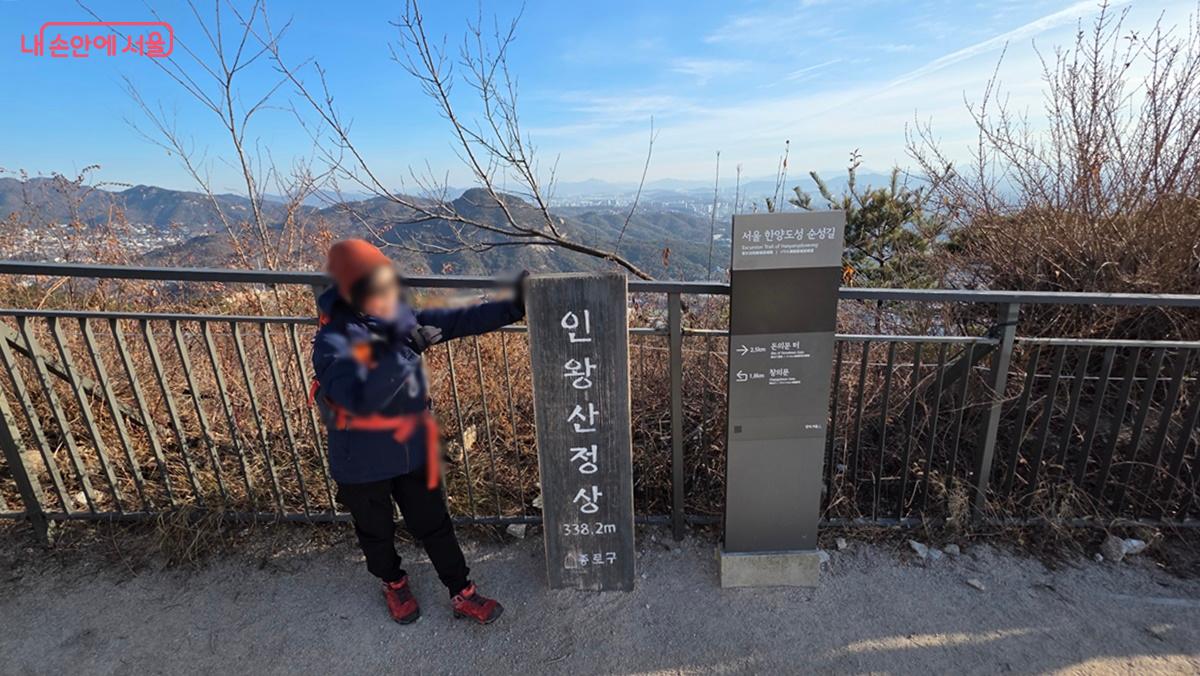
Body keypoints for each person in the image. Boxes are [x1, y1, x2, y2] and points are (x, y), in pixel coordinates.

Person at [311, 239, 526, 625]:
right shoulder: (331, 341)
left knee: (434, 523)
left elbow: (457, 320)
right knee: (375, 531)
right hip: (360, 461)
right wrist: (405, 353)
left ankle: (462, 592)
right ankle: (393, 582)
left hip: (410, 448)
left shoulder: (397, 318)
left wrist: (516, 304)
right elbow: (358, 397)